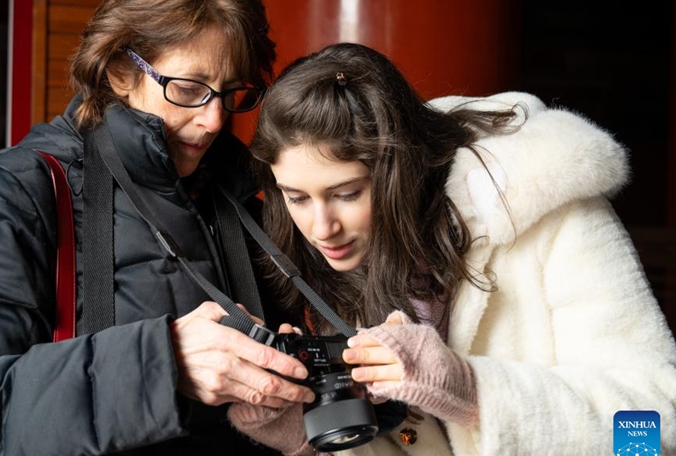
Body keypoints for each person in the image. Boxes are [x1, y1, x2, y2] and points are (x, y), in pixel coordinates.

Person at [0, 0, 316, 455]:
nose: (215, 119)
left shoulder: (247, 204)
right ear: (119, 70)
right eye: (188, 87)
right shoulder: (10, 195)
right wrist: (164, 361)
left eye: (231, 92)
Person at [229, 42, 676, 455]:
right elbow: (412, 442)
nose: (320, 227)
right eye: (298, 197)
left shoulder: (551, 211)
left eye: (346, 194)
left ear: (397, 172)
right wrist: (302, 429)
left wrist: (473, 390)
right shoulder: (342, 257)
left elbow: (658, 432)